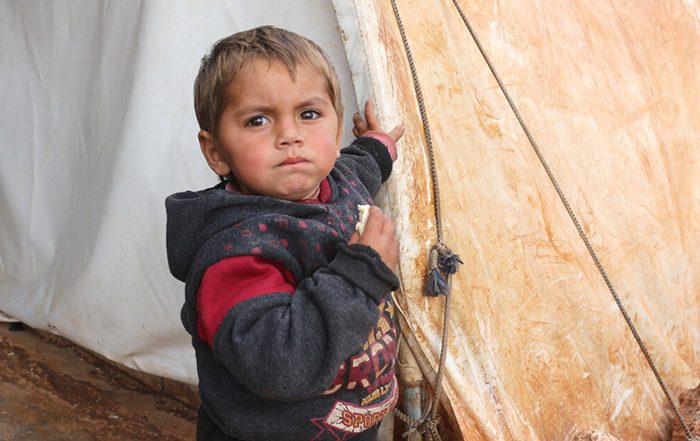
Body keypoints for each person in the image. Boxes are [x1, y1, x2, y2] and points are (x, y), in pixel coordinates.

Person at [166, 25, 404, 441]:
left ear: (334, 128)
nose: (290, 136)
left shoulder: (339, 182)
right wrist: (362, 273)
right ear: (216, 152)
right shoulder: (237, 253)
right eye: (258, 120)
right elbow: (281, 366)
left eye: (309, 114)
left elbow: (361, 166)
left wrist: (378, 144)